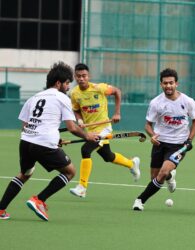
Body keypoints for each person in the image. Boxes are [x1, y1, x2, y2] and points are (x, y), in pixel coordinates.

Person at [0, 62, 99, 221]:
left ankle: (1, 209)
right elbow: (72, 128)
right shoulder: (62, 98)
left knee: (25, 174)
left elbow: (25, 126)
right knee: (70, 172)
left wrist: (55, 138)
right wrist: (88, 136)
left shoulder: (34, 97)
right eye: (67, 83)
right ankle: (39, 200)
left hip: (26, 142)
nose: (68, 87)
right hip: (43, 142)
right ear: (58, 83)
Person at [132, 68, 195, 211]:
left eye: (171, 83)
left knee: (162, 173)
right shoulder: (156, 103)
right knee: (156, 177)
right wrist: (152, 135)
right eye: (165, 83)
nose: (168, 86)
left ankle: (140, 200)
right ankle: (170, 177)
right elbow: (147, 125)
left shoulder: (188, 101)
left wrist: (189, 140)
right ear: (161, 84)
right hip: (160, 143)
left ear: (177, 84)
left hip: (178, 145)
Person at [69, 63, 140, 198]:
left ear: (88, 76)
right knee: (108, 156)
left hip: (104, 128)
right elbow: (76, 109)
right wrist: (79, 121)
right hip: (90, 130)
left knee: (85, 150)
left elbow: (117, 91)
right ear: (75, 77)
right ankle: (132, 164)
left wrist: (117, 113)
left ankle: (82, 187)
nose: (81, 79)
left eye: (84, 76)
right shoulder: (74, 93)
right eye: (78, 76)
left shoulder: (99, 88)